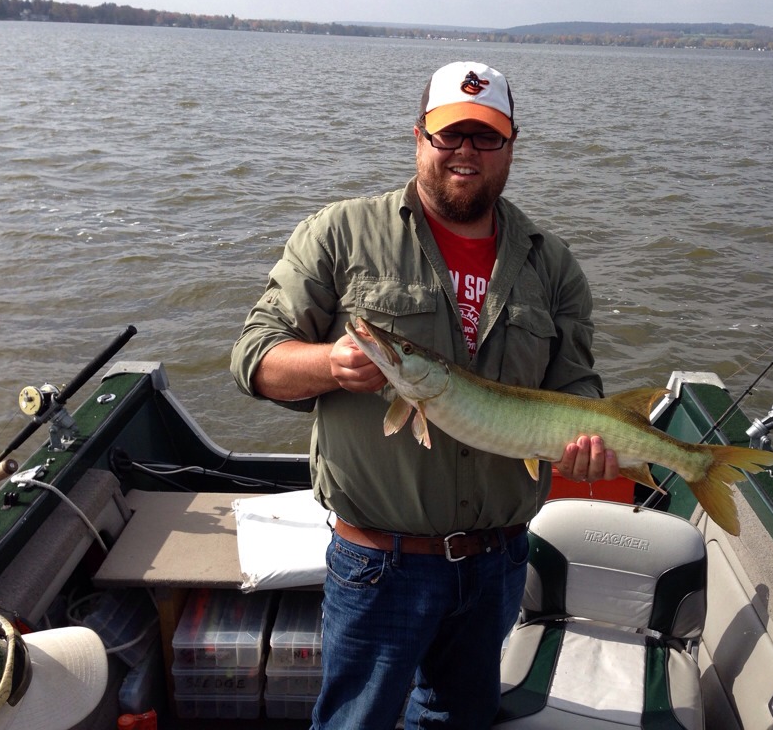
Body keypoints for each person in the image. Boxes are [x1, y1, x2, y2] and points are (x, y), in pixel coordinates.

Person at [231, 60, 620, 730]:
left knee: (455, 722)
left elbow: (576, 386)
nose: (466, 150)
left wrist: (591, 444)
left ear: (510, 146)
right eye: (450, 134)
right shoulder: (341, 233)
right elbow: (254, 357)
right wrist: (329, 363)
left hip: (497, 565)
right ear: (419, 138)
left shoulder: (552, 264)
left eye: (486, 136)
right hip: (379, 566)